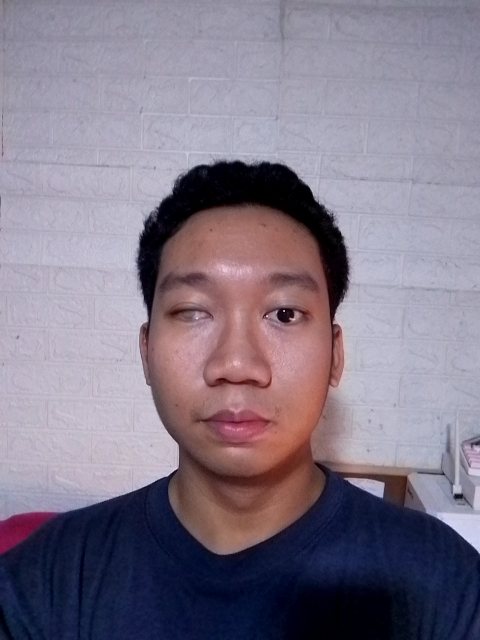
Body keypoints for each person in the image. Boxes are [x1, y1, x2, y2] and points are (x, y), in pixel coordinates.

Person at [0, 161, 479, 639]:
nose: (236, 364)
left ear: (336, 354)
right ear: (146, 351)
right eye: (193, 311)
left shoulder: (443, 586)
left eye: (284, 313)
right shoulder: (48, 583)